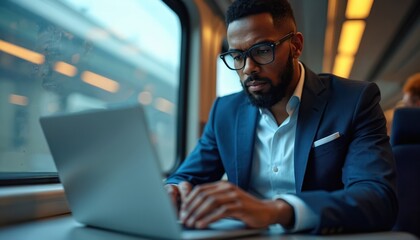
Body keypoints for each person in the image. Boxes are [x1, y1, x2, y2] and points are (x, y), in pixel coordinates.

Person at [165, 0, 397, 234]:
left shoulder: (354, 100)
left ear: (296, 46)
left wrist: (276, 211)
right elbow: (186, 176)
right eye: (237, 56)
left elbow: (377, 198)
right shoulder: (225, 112)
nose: (248, 68)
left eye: (262, 50)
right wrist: (173, 190)